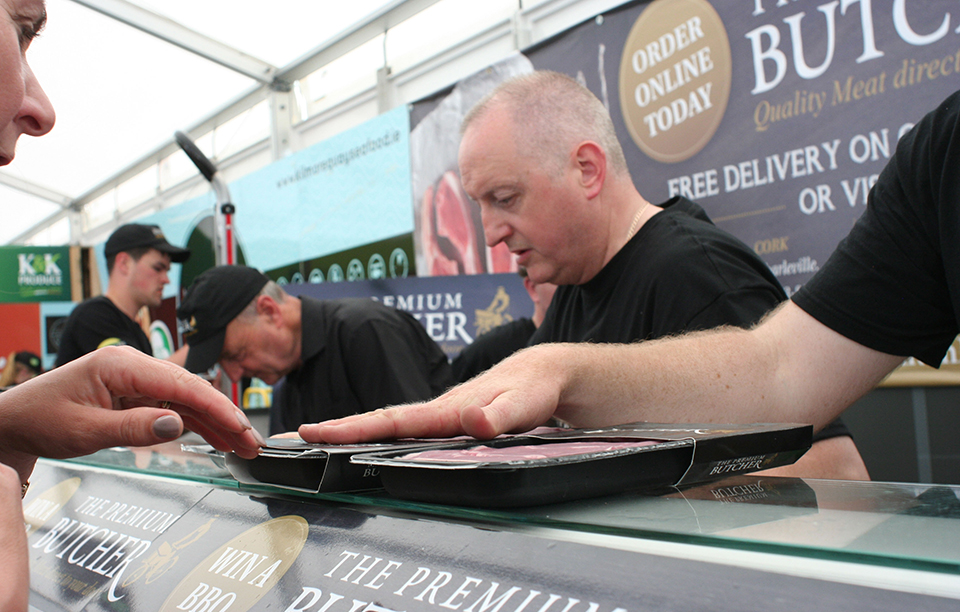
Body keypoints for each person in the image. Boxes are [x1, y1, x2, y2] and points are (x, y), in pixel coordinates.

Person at [302, 87, 960, 475]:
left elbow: (836, 473)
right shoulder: (573, 298)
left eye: (504, 197)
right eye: (479, 206)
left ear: (587, 169)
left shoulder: (693, 270)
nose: (490, 232)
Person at [1, 3, 263, 612]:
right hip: (90, 518)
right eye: (20, 31)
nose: (42, 109)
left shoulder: (144, 333)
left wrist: (5, 430)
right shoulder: (94, 322)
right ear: (121, 264)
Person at [177, 265, 454, 431]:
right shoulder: (289, 381)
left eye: (235, 355)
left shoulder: (363, 330)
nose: (235, 375)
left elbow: (415, 450)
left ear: (270, 311)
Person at [54, 223, 190, 367]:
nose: (166, 279)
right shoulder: (92, 316)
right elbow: (138, 380)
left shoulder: (135, 331)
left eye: (167, 271)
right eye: (158, 268)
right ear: (124, 263)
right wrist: (199, 345)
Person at [451, 267, 557, 383]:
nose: (569, 293)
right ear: (532, 288)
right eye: (558, 282)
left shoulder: (580, 342)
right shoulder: (488, 351)